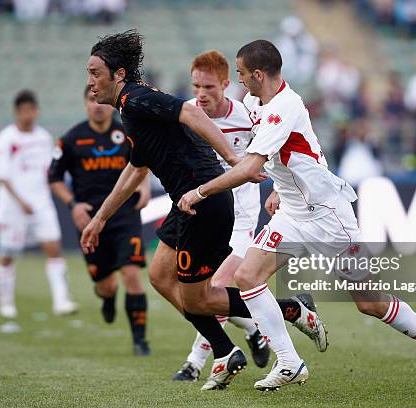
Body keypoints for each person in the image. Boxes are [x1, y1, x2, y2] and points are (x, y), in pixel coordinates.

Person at [178, 40, 416, 390]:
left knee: (369, 303)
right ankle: (289, 362)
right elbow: (293, 150)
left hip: (328, 216)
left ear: (259, 75)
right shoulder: (253, 102)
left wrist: (201, 190)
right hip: (293, 213)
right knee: (249, 276)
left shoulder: (284, 106)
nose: (239, 79)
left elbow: (251, 164)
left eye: (242, 73)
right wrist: (281, 186)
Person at [80, 30, 326, 391]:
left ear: (118, 75)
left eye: (95, 73)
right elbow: (135, 169)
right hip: (187, 203)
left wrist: (231, 157)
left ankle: (287, 312)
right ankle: (227, 351)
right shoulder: (130, 109)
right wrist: (100, 219)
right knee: (161, 276)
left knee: (200, 299)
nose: (90, 83)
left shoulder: (136, 99)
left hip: (202, 201)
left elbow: (188, 114)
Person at [171, 50, 270, 383]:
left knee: (216, 285)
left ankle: (195, 363)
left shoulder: (247, 116)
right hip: (201, 213)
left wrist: (281, 189)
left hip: (240, 216)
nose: (201, 94)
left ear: (226, 84)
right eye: (196, 86)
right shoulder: (185, 114)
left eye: (209, 87)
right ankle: (254, 327)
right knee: (176, 285)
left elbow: (277, 152)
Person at [49, 87, 151, 356]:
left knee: (131, 273)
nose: (97, 105)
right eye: (91, 101)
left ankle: (140, 341)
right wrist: (72, 205)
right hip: (90, 220)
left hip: (125, 214)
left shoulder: (127, 133)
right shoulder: (71, 139)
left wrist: (144, 186)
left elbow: (146, 159)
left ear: (109, 104)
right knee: (105, 285)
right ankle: (107, 298)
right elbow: (54, 177)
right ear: (85, 104)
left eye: (100, 101)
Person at [0, 90, 77, 319]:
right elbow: (2, 176)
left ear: (36, 111)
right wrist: (21, 201)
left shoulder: (44, 138)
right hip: (13, 206)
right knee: (8, 253)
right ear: (17, 112)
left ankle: (61, 300)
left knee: (53, 248)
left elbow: (49, 170)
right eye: (23, 110)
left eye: (31, 110)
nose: (28, 115)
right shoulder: (6, 139)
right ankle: (6, 303)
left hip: (40, 203)